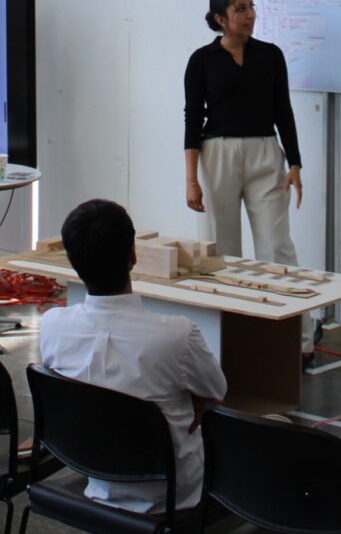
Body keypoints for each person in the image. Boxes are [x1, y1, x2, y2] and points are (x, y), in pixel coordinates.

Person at [39, 199, 226, 514]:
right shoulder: (178, 335)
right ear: (133, 254)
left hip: (95, 475)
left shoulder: (52, 326)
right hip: (177, 493)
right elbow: (217, 392)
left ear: (72, 262)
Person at [183, 0, 304, 273]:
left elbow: (283, 111)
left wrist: (295, 163)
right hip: (217, 153)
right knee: (219, 247)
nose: (250, 14)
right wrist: (191, 180)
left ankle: (286, 316)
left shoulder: (270, 55)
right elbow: (192, 118)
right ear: (220, 19)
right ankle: (227, 317)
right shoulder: (201, 60)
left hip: (265, 150)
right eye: (240, 8)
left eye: (251, 6)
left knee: (277, 245)